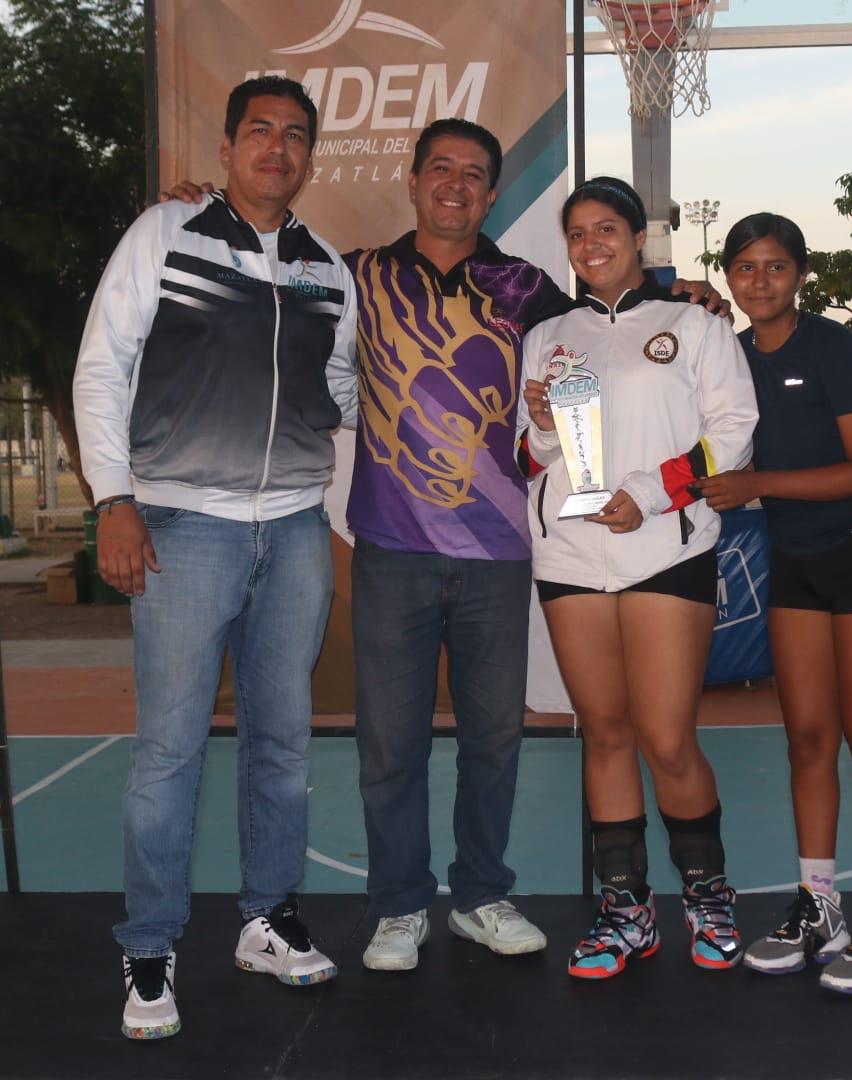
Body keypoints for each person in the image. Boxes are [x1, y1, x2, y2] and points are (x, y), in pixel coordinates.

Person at [164, 120, 728, 974]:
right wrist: (198, 210)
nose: (456, 185)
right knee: (390, 741)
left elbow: (607, 322)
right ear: (415, 180)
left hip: (501, 553)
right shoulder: (357, 274)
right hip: (390, 546)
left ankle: (479, 895)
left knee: (492, 738)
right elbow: (268, 282)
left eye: (474, 173)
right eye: (441, 170)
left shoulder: (526, 288)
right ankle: (398, 907)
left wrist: (682, 289)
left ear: (492, 192)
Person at [73, 76, 358, 1039]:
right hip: (181, 523)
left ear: (310, 155)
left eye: (295, 136)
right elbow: (102, 367)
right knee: (169, 752)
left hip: (294, 528)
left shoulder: (328, 269)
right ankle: (149, 949)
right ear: (231, 146)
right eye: (260, 132)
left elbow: (343, 389)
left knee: (281, 744)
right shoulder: (167, 234)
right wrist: (114, 499)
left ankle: (265, 920)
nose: (278, 149)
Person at [520, 177, 758, 980]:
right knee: (607, 733)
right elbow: (532, 457)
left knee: (665, 737)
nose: (591, 244)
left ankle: (707, 894)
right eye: (578, 233)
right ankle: (625, 912)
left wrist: (651, 496)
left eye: (606, 229)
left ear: (636, 238)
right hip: (569, 557)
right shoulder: (548, 333)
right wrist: (546, 427)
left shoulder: (693, 323)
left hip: (664, 548)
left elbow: (733, 435)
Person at [697, 213, 852, 995]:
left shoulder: (830, 347)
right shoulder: (722, 356)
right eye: (744, 268)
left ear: (798, 275)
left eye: (774, 267)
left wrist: (757, 485)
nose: (758, 281)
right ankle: (819, 901)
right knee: (805, 740)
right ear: (727, 275)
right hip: (791, 563)